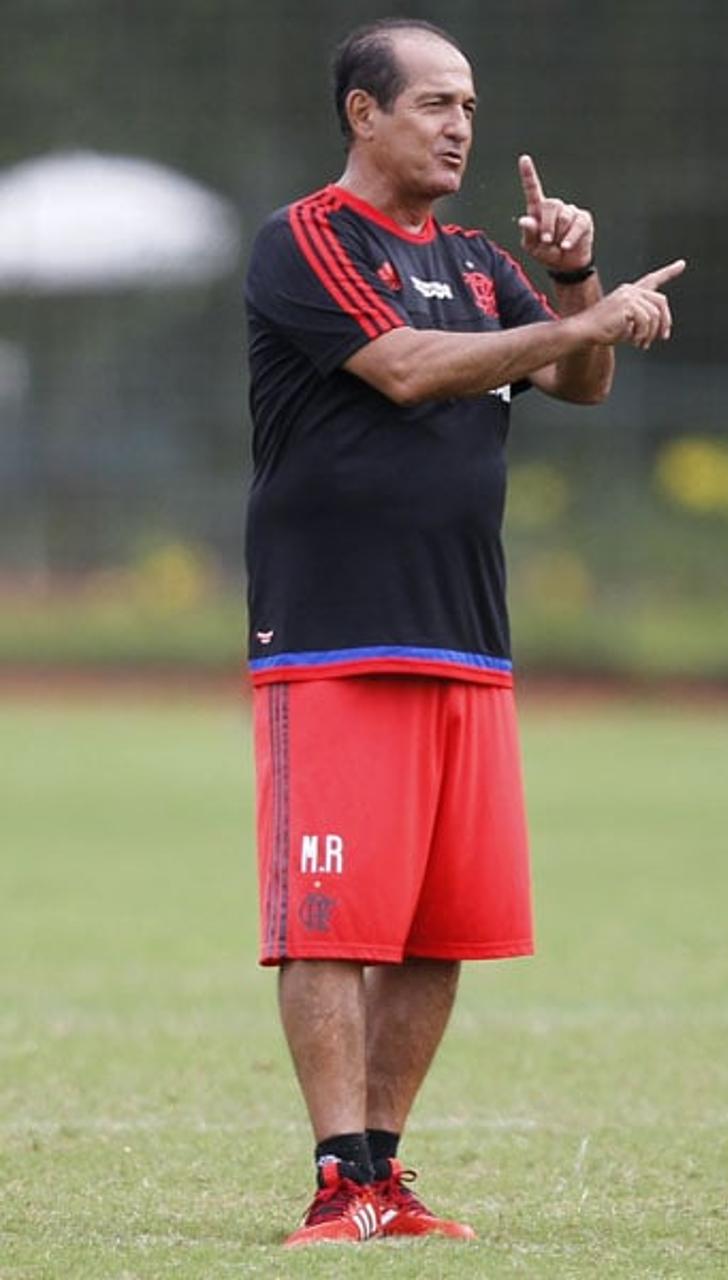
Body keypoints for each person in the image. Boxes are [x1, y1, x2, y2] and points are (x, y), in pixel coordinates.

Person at [243, 17, 682, 1247]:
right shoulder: (307, 240)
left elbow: (580, 385)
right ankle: (336, 1180)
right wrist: (575, 325)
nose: (459, 126)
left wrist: (574, 284)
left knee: (441, 926)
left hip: (466, 642)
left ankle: (386, 1173)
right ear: (363, 115)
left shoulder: (485, 259)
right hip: (332, 636)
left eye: (471, 107)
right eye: (434, 102)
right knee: (330, 918)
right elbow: (410, 368)